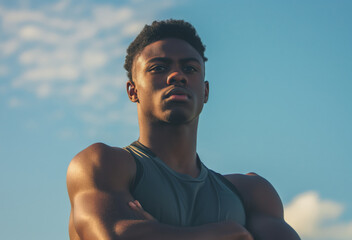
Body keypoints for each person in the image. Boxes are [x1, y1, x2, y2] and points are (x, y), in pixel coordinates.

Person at [67, 19, 301, 240]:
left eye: (190, 69)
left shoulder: (251, 193)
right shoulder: (102, 164)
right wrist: (225, 233)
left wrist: (154, 232)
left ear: (206, 91)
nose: (177, 75)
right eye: (158, 68)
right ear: (132, 90)